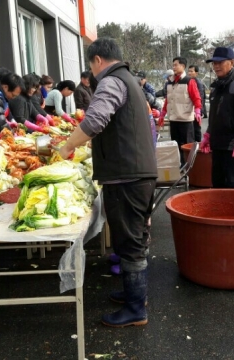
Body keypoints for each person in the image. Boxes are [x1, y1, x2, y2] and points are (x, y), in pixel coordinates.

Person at [58, 37, 156, 328]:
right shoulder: (127, 79)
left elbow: (94, 121)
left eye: (90, 64)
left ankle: (136, 309)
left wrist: (66, 148)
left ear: (97, 60)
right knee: (132, 238)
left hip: (127, 176)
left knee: (129, 242)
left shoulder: (111, 81)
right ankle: (133, 295)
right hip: (136, 173)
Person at [200, 47, 234, 189]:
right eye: (214, 63)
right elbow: (214, 115)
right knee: (218, 185)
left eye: (220, 62)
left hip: (233, 147)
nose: (216, 66)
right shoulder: (217, 87)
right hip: (217, 146)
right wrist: (208, 135)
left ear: (231, 63)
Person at [159, 57, 201, 165]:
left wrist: (198, 111)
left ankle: (190, 167)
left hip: (185, 119)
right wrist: (162, 115)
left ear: (183, 66)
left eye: (176, 65)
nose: (174, 67)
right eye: (173, 65)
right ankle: (180, 167)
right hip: (174, 118)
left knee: (187, 145)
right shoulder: (170, 82)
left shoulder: (189, 81)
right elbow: (168, 100)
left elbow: (196, 97)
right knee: (176, 145)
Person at [188, 65, 207, 141]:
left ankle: (198, 146)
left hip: (197, 110)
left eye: (191, 71)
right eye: (188, 71)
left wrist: (199, 111)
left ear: (196, 73)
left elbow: (200, 98)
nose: (189, 73)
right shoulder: (188, 81)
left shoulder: (198, 83)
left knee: (196, 130)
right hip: (191, 110)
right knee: (192, 130)